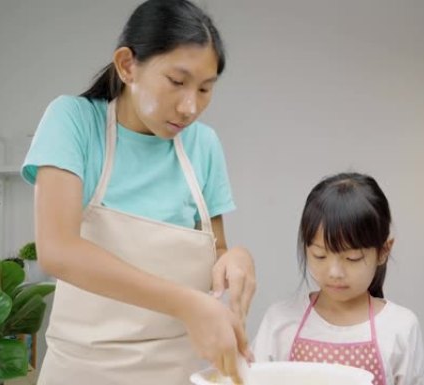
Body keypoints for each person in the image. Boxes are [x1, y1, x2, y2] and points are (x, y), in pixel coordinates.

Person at [21, 1, 255, 384]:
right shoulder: (74, 122)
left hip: (180, 372)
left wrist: (236, 258)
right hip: (85, 372)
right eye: (177, 82)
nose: (190, 106)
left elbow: (216, 249)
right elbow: (58, 250)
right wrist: (186, 304)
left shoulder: (204, 145)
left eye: (205, 89)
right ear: (128, 65)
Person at [252, 172, 424, 385]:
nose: (334, 272)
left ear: (383, 251)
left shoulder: (400, 327)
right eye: (320, 255)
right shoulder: (280, 321)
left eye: (352, 258)